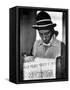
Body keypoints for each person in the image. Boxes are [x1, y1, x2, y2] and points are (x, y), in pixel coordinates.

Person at [24, 11, 66, 78]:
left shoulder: (62, 46)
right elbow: (30, 64)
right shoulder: (35, 44)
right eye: (41, 34)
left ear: (51, 30)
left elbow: (65, 72)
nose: (44, 37)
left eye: (47, 33)